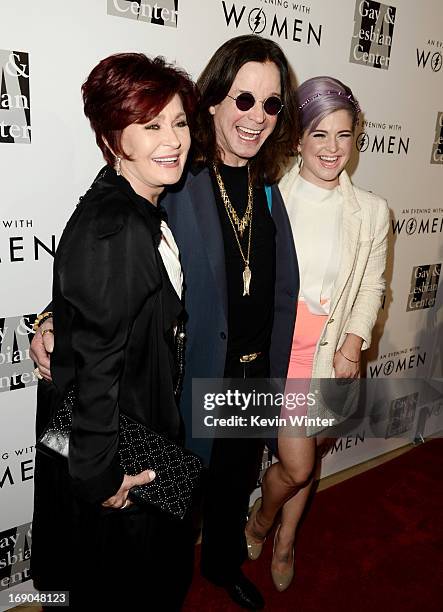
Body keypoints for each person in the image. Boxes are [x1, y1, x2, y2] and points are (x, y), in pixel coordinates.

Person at [31, 35, 299, 610]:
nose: (256, 117)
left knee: (230, 488)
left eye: (272, 104)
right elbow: (105, 260)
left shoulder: (270, 190)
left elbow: (280, 293)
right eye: (243, 99)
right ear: (213, 101)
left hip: (250, 378)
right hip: (186, 385)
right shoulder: (177, 179)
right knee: (165, 521)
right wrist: (53, 320)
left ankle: (224, 565)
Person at [30, 52, 198, 610]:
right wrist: (104, 481)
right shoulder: (118, 226)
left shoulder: (127, 198)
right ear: (113, 137)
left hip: (138, 432)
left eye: (178, 121)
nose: (172, 139)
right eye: (151, 125)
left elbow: (85, 301)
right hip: (123, 455)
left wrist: (52, 318)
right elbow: (99, 370)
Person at [244, 76, 390, 592]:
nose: (333, 149)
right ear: (298, 137)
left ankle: (284, 543)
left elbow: (373, 285)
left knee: (304, 462)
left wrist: (356, 339)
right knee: (299, 465)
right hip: (279, 355)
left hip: (332, 359)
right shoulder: (267, 197)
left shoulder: (372, 212)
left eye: (344, 135)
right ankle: (261, 519)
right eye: (320, 135)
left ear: (356, 139)